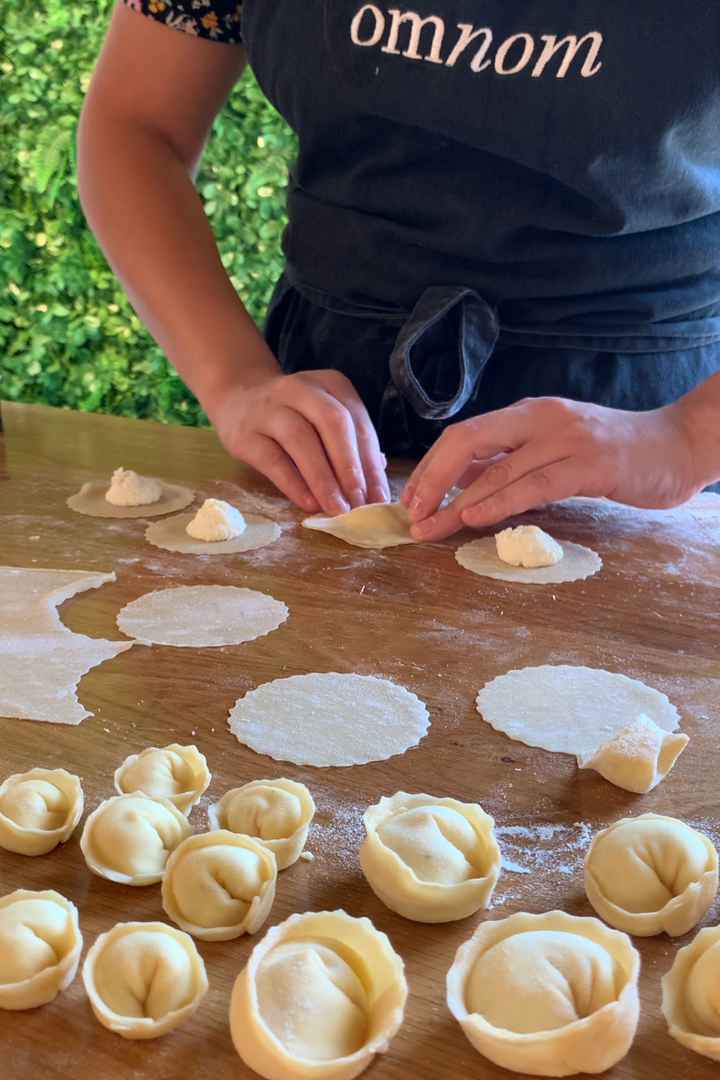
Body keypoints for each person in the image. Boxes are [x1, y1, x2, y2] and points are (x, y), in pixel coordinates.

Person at [78, 2, 720, 541]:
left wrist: (686, 437)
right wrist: (233, 379)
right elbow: (136, 126)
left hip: (639, 424)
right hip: (329, 417)